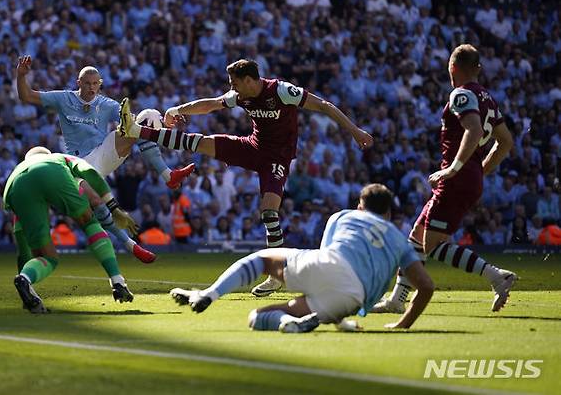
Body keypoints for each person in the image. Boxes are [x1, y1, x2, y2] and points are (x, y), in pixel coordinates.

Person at [119, 58, 373, 296]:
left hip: (276, 158)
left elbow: (324, 106)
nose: (233, 88)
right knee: (200, 143)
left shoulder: (282, 91)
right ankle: (137, 130)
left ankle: (276, 274)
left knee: (269, 212)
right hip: (251, 147)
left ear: (251, 80)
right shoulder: (241, 96)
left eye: (235, 83)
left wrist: (355, 131)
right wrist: (177, 109)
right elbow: (212, 104)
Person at [170, 184, 434, 333]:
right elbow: (425, 286)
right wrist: (404, 323)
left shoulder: (345, 216)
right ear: (388, 212)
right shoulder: (400, 240)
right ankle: (291, 323)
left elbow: (327, 257)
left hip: (328, 266)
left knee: (262, 261)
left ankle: (210, 294)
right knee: (261, 316)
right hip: (352, 298)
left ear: (360, 206)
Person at [374, 44, 517, 314]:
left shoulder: (460, 95)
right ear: (478, 69)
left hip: (457, 177)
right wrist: (480, 171)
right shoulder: (488, 99)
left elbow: (473, 130)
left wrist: (454, 169)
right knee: (416, 236)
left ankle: (497, 276)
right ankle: (396, 300)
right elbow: (506, 142)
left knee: (433, 246)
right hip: (468, 176)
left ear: (452, 68)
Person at [15, 55, 194, 259]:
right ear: (78, 83)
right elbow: (26, 96)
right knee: (97, 207)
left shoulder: (106, 104)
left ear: (100, 84)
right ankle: (131, 246)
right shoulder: (64, 98)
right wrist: (21, 76)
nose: (92, 88)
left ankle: (168, 175)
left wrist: (165, 122)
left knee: (148, 116)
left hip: (104, 154)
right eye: (87, 83)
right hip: (78, 164)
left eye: (95, 84)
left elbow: (133, 124)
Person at [3, 146, 139, 313]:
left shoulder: (17, 170)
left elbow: (20, 236)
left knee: (46, 256)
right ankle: (118, 282)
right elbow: (89, 172)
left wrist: (25, 279)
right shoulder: (58, 158)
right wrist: (114, 207)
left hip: (14, 187)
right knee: (88, 222)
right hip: (52, 172)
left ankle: (25, 280)